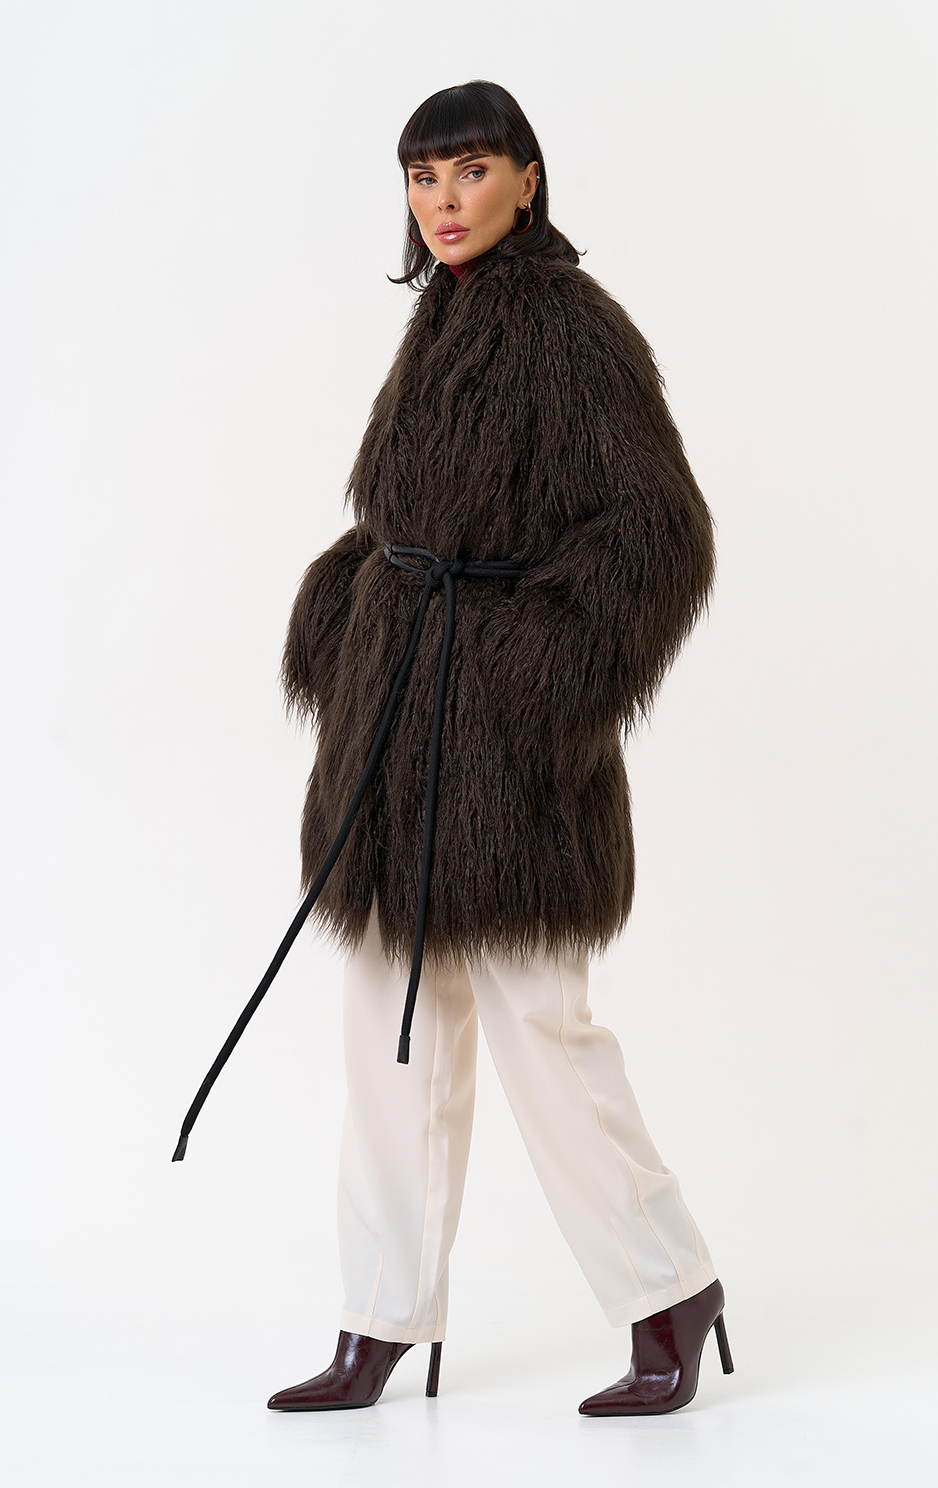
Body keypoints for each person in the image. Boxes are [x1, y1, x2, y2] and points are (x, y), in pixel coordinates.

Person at [266, 79, 732, 1418]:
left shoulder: (572, 328)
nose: (443, 201)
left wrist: (533, 685)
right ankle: (379, 1319)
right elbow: (410, 524)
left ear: (528, 178)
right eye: (422, 178)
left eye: (469, 171)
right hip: (396, 733)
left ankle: (669, 1292)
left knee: (543, 1030)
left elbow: (657, 535)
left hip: (509, 751)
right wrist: (348, 621)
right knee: (387, 1036)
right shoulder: (442, 318)